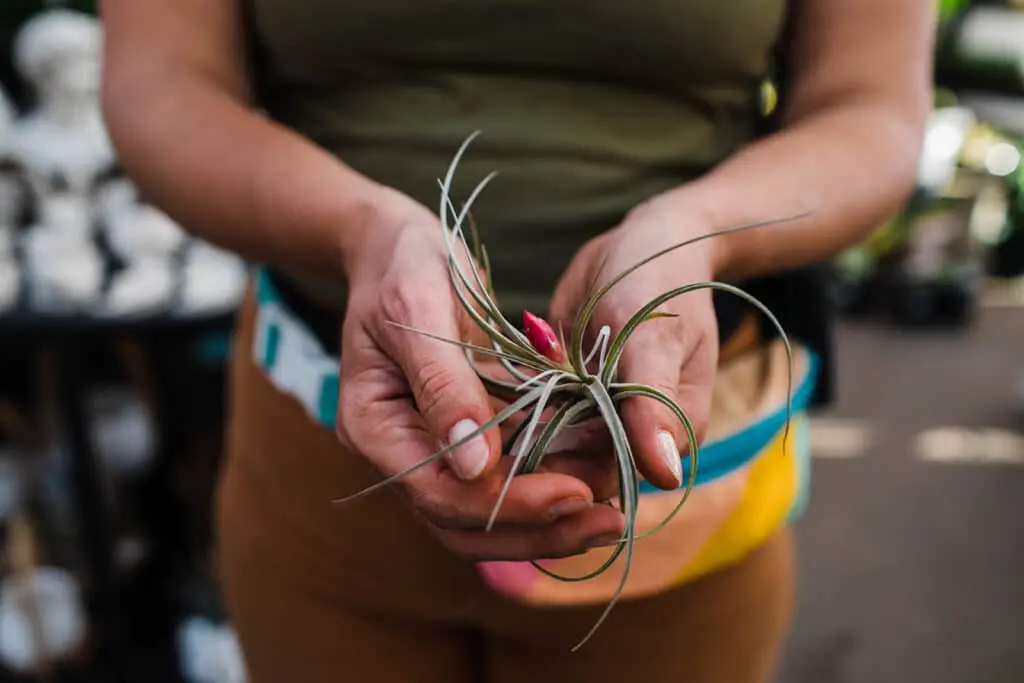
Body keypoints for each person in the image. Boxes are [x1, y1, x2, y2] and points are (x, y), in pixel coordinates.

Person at [99, 1, 934, 681]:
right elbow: (162, 85)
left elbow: (871, 106)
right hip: (318, 457)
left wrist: (698, 231)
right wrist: (361, 230)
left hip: (676, 492)